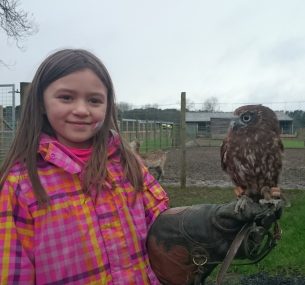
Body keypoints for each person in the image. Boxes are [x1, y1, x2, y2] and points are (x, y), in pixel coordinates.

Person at [0, 48, 169, 284]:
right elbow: (12, 271)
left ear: (107, 106)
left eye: (94, 100)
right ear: (40, 103)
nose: (81, 110)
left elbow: (164, 226)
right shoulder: (21, 184)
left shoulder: (128, 164)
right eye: (66, 97)